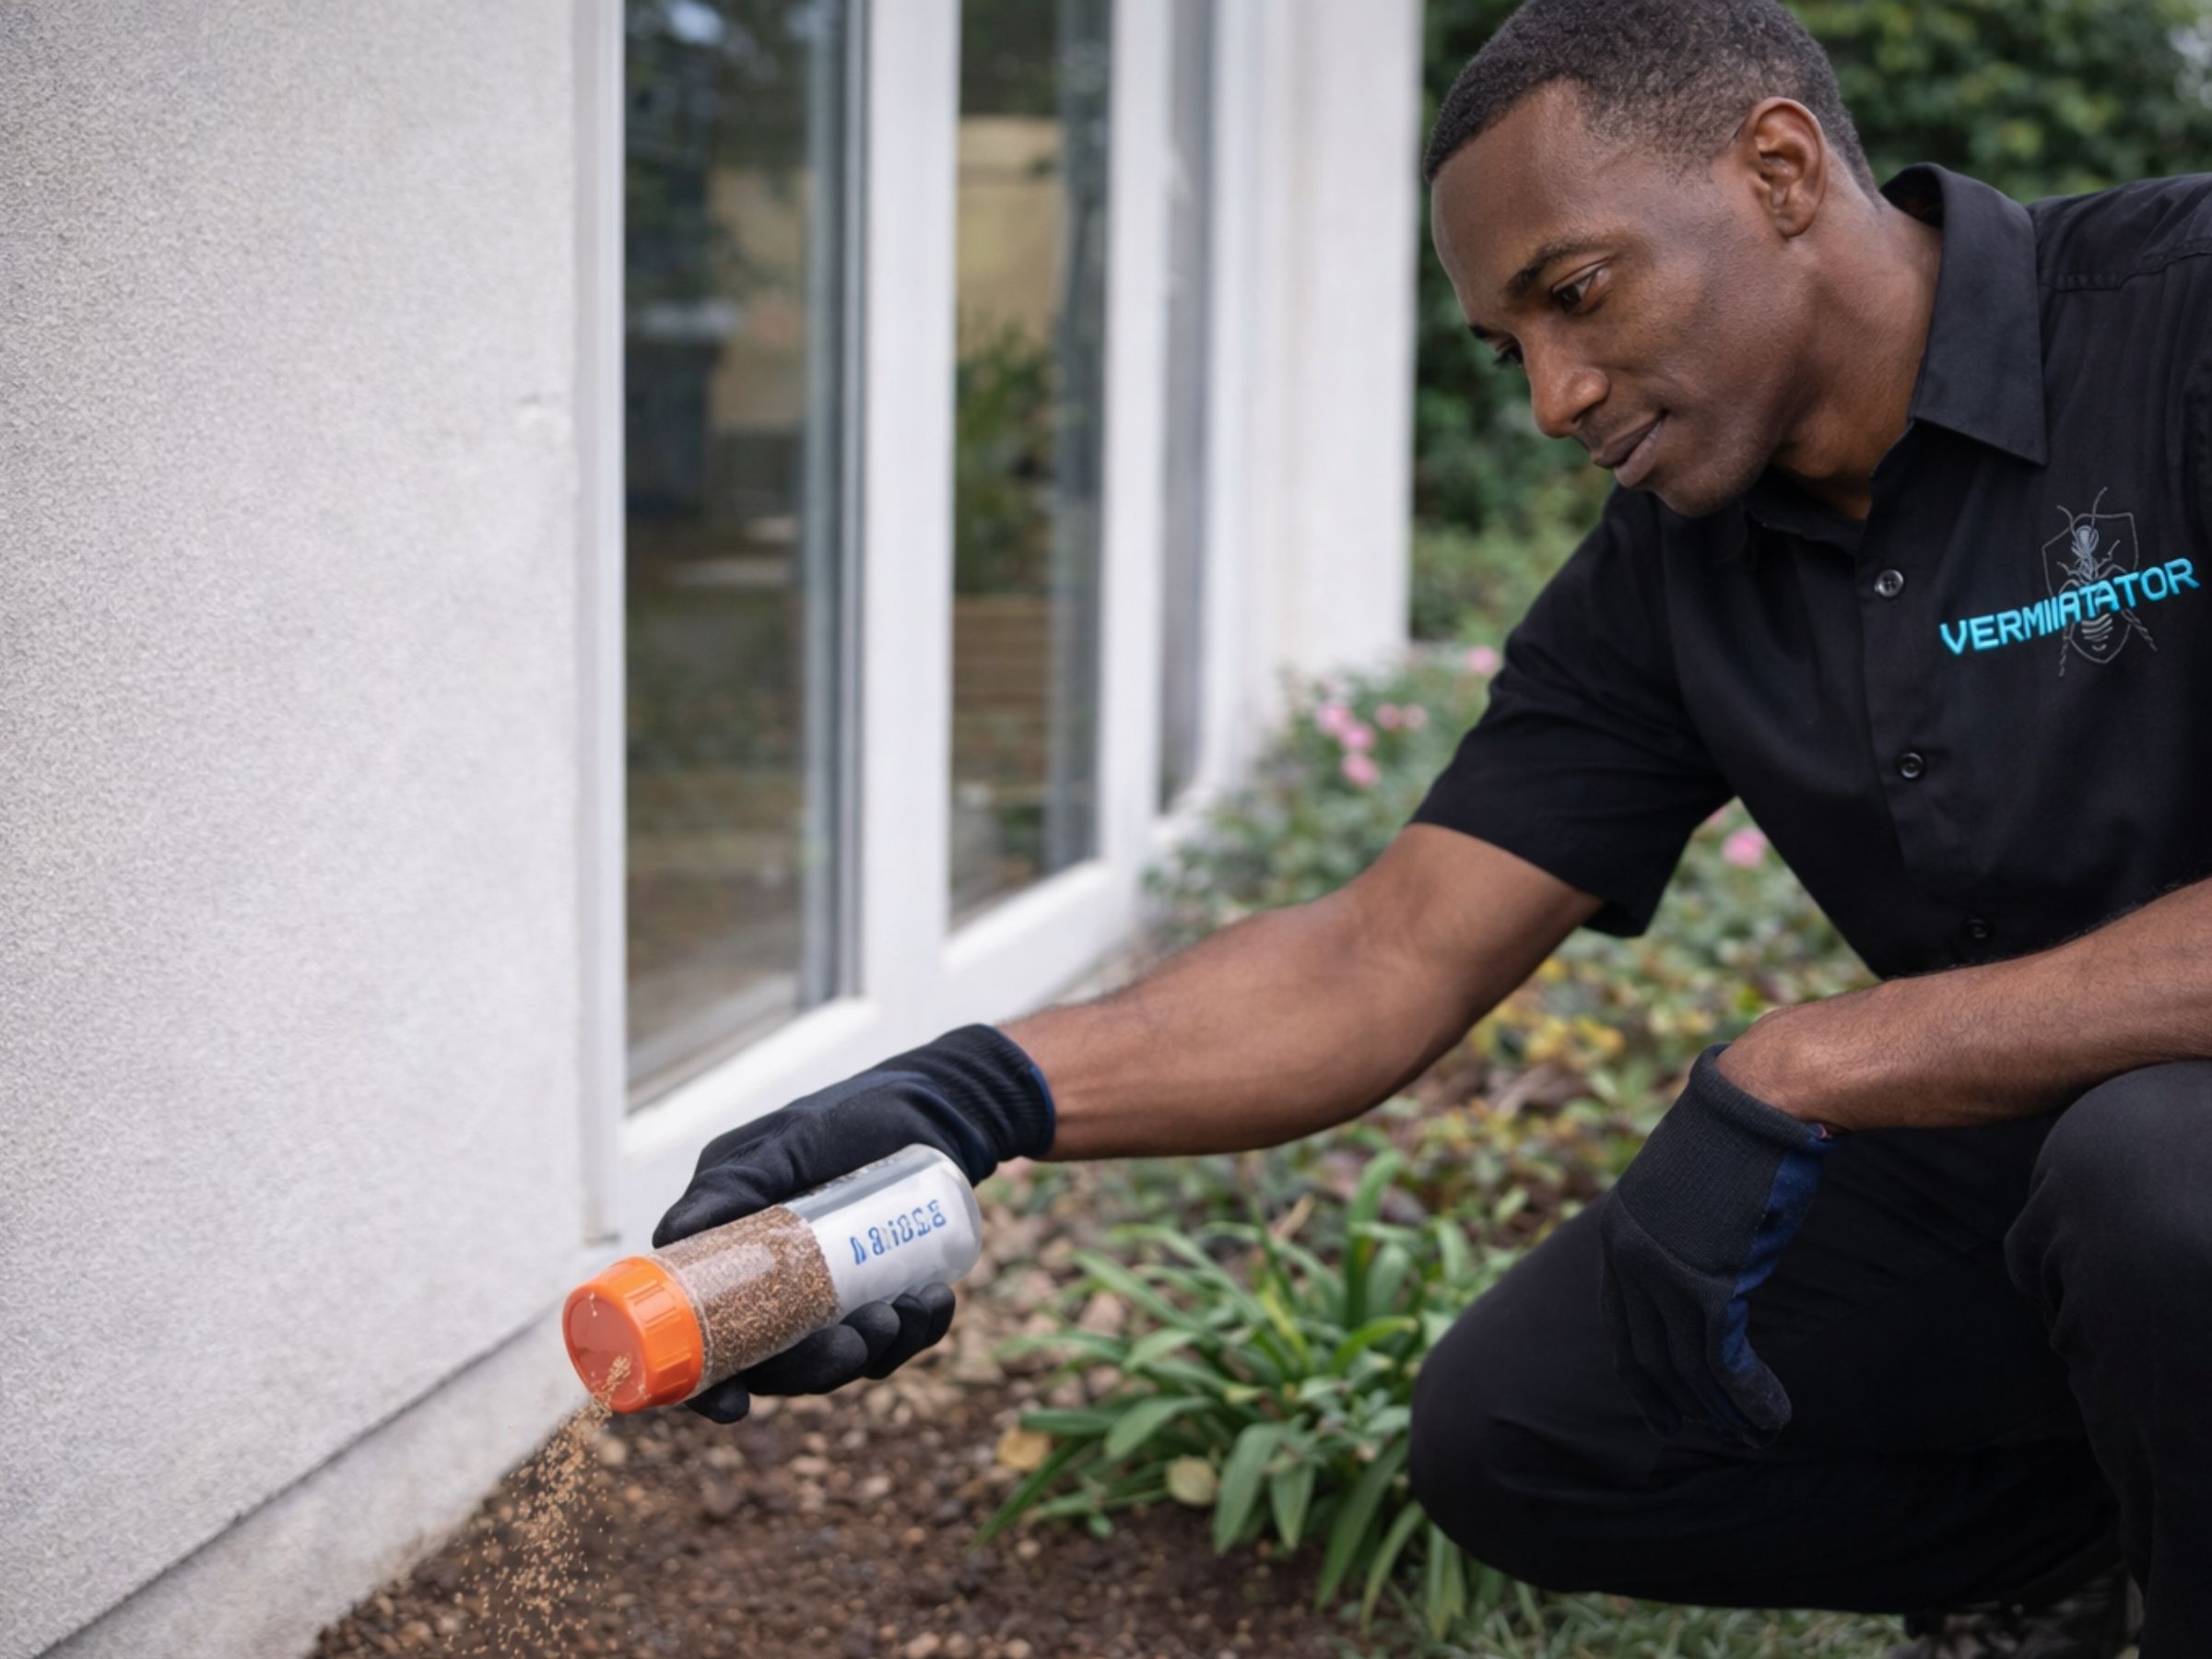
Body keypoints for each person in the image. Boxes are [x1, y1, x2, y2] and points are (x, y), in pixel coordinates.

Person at [653, 1, 2210, 1651]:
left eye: (1577, 291)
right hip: (2038, 1158)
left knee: (2156, 1179)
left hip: (2163, 1163)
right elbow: (1379, 953)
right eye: (1508, 343)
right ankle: (2107, 1533)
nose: (1553, 394)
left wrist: (1810, 1061)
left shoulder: (2178, 321)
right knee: (1528, 1430)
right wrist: (962, 1097)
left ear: (1777, 169)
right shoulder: (1673, 570)